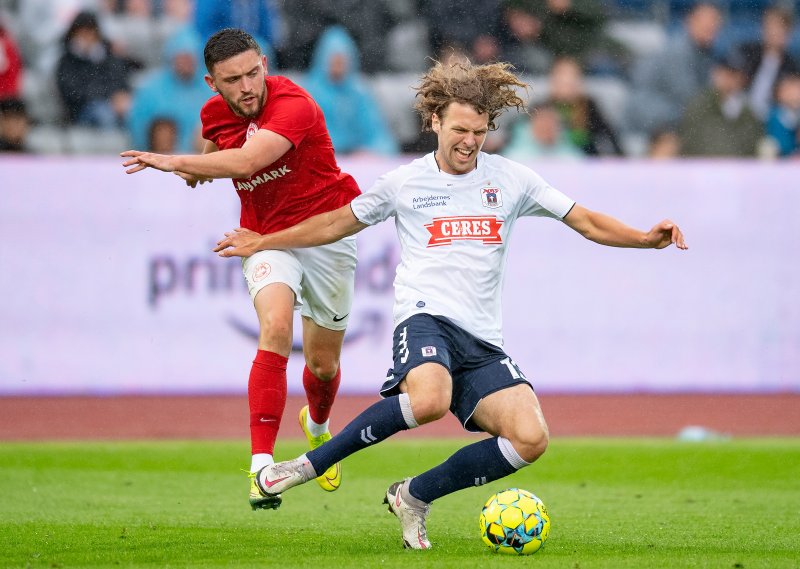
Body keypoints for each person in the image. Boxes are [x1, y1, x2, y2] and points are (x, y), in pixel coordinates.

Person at [213, 60, 687, 549]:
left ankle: (414, 496)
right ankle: (309, 464)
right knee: (430, 399)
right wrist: (264, 239)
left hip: (481, 339)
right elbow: (335, 224)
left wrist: (643, 239)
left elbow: (584, 220)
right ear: (435, 121)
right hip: (424, 320)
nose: (469, 141)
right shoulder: (405, 183)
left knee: (530, 438)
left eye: (480, 132)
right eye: (460, 129)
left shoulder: (511, 179)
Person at [120, 28, 363, 510]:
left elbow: (250, 158)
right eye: (234, 80)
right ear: (213, 83)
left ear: (265, 64)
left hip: (325, 234)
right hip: (261, 238)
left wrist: (176, 162)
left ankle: (317, 429)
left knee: (322, 364)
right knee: (274, 326)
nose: (248, 86)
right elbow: (220, 151)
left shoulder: (296, 105)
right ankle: (261, 469)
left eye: (254, 73)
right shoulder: (213, 113)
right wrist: (198, 170)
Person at [627, 1, 722, 135]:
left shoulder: (705, 53)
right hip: (648, 119)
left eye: (715, 21)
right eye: (706, 20)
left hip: (670, 116)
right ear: (689, 21)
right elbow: (689, 99)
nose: (711, 25)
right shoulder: (678, 51)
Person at [303, 25, 397, 156]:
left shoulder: (359, 93)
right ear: (322, 60)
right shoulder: (308, 95)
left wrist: (371, 152)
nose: (338, 68)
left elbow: (378, 135)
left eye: (341, 61)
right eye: (334, 61)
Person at [127, 26, 210, 153]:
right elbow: (138, 128)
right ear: (172, 57)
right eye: (183, 57)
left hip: (202, 162)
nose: (187, 62)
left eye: (191, 57)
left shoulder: (210, 86)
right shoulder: (151, 89)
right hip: (158, 160)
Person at [55, 10, 133, 129]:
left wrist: (120, 97)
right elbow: (73, 94)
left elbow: (120, 80)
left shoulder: (107, 56)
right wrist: (109, 99)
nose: (86, 37)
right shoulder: (66, 62)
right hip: (81, 113)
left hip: (112, 106)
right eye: (82, 33)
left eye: (90, 32)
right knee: (103, 113)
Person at [678, 51, 764, 157]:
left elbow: (753, 144)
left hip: (738, 170)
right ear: (715, 74)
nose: (730, 80)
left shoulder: (747, 111)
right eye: (726, 74)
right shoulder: (699, 106)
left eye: (735, 75)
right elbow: (692, 144)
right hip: (703, 169)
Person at [738, 6, 799, 121]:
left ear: (788, 34)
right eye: (770, 27)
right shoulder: (747, 53)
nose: (773, 33)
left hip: (770, 120)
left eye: (779, 29)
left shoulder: (792, 66)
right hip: (742, 115)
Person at [501, 101, 585, 159]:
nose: (546, 126)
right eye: (542, 120)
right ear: (530, 125)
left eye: (551, 120)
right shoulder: (512, 159)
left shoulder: (574, 158)